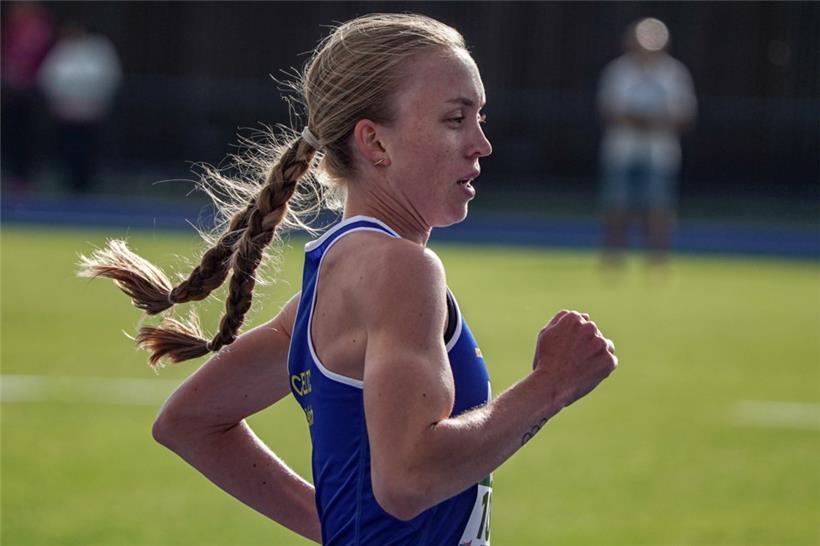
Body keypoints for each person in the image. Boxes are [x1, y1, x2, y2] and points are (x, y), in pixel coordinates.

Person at [79, 13, 617, 545]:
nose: (482, 143)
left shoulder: (335, 278)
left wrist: (340, 527)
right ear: (375, 143)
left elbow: (190, 420)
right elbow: (408, 481)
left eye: (480, 117)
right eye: (455, 119)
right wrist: (552, 384)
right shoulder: (400, 269)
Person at [597, 17, 697, 268]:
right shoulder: (618, 71)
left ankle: (657, 258)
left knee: (659, 206)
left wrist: (643, 118)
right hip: (621, 149)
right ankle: (614, 255)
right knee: (616, 203)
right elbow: (610, 109)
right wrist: (648, 118)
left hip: (660, 151)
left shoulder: (674, 73)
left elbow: (684, 113)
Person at [38, 21, 122, 192]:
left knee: (88, 147)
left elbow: (108, 76)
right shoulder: (62, 49)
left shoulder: (98, 49)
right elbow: (49, 76)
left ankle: (86, 182)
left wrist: (98, 98)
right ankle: (68, 180)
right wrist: (59, 99)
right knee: (68, 147)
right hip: (66, 110)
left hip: (91, 111)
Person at [0, 1, 55, 193]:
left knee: (25, 137)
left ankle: (24, 177)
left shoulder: (39, 30)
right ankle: (13, 175)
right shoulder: (11, 29)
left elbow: (38, 59)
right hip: (11, 91)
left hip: (30, 93)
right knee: (11, 136)